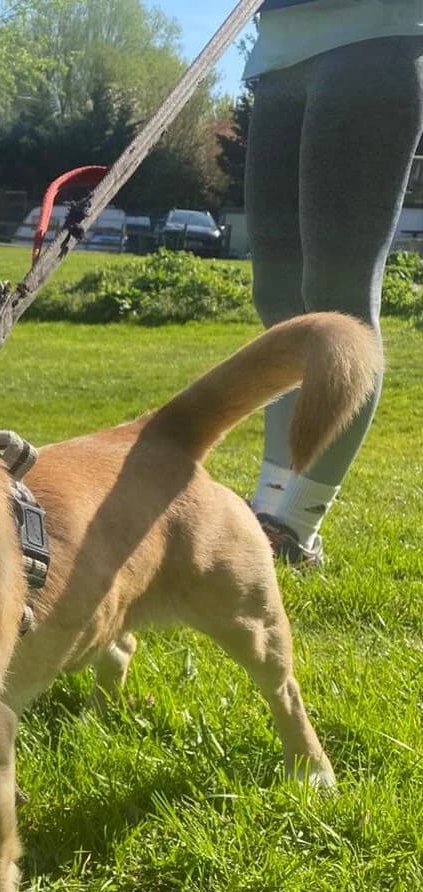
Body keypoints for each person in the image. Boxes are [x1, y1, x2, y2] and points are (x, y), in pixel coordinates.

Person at [244, 0, 423, 565]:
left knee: (335, 298)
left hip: (375, 30)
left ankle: (294, 526)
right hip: (277, 46)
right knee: (277, 296)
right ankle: (268, 509)